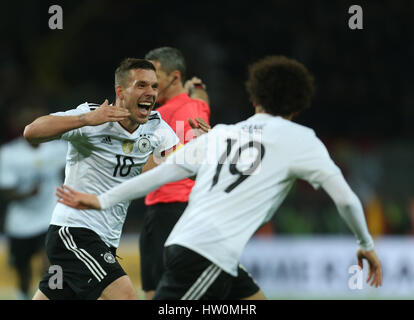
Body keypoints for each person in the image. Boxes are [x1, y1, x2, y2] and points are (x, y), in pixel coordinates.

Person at [55, 55, 382, 300]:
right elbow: (346, 198)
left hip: (194, 247)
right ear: (299, 104)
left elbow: (162, 173)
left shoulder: (222, 135)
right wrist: (366, 245)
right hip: (206, 252)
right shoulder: (302, 139)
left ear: (254, 98)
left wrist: (103, 199)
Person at [24, 58, 180, 300]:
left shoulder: (157, 128)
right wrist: (85, 120)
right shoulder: (90, 117)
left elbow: (172, 167)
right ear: (121, 91)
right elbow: (31, 132)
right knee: (126, 296)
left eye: (154, 86)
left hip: (106, 239)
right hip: (74, 231)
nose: (150, 93)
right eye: (141, 85)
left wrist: (206, 145)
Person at [138, 47, 211, 299]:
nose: (148, 84)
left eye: (154, 74)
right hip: (179, 209)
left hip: (169, 210)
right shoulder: (195, 106)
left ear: (175, 77)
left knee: (159, 294)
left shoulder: (163, 115)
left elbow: (146, 168)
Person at [0, 129, 67, 300]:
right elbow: (5, 191)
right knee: (23, 271)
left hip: (51, 216)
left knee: (51, 262)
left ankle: (55, 294)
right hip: (21, 223)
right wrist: (27, 194)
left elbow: (71, 167)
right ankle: (23, 294)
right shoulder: (9, 154)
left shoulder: (58, 148)